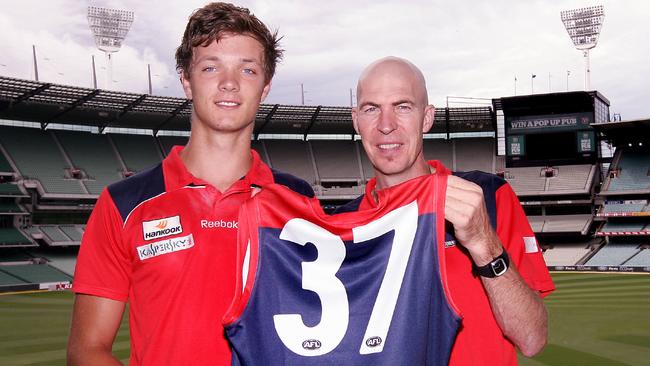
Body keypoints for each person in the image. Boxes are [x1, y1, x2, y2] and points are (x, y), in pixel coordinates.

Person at [67, 3, 312, 365]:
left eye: (247, 69)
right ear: (186, 80)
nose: (229, 82)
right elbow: (87, 349)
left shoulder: (299, 201)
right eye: (210, 67)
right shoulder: (124, 202)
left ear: (265, 87)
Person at [336, 56, 555, 365]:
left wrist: (485, 245)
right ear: (356, 120)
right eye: (372, 109)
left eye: (403, 106)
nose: (386, 126)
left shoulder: (488, 197)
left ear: (427, 118)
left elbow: (532, 339)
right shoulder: (337, 227)